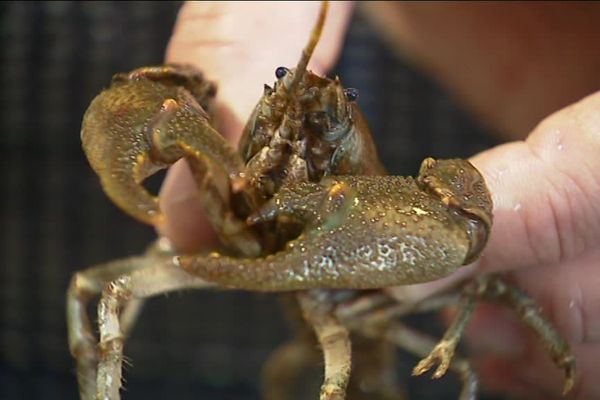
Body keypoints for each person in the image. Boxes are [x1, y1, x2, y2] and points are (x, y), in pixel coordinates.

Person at [158, 3, 600, 399]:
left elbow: (481, 256)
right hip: (197, 340)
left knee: (499, 297)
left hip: (372, 326)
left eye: (336, 113)